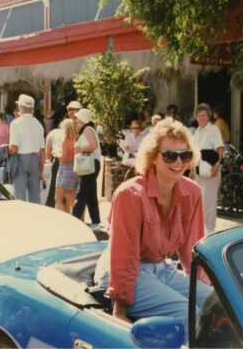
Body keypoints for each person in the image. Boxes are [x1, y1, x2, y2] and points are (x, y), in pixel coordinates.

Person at [94, 118, 212, 342]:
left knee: (217, 304)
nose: (178, 162)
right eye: (170, 155)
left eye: (184, 155)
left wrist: (200, 287)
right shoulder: (130, 195)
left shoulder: (192, 193)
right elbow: (124, 256)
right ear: (153, 157)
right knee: (192, 317)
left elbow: (193, 250)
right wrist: (120, 308)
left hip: (162, 270)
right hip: (125, 273)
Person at [193, 103, 224, 235]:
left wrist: (217, 166)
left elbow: (220, 149)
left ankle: (210, 233)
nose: (201, 118)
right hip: (199, 171)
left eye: (204, 115)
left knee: (209, 203)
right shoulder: (197, 132)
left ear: (208, 116)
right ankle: (201, 232)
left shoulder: (213, 129)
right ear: (196, 117)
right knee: (199, 202)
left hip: (211, 170)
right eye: (199, 116)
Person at [8, 94, 45, 204]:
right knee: (35, 197)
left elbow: (13, 148)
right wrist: (41, 171)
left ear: (21, 107)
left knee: (20, 197)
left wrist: (6, 150)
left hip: (20, 160)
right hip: (35, 160)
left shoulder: (15, 123)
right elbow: (42, 151)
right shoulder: (38, 124)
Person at [72, 108, 101, 227]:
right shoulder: (88, 129)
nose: (76, 121)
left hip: (90, 164)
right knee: (90, 194)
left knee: (82, 193)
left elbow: (93, 146)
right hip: (92, 164)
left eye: (78, 119)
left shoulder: (87, 129)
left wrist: (79, 149)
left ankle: (74, 219)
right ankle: (95, 221)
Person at [55, 119, 78, 213]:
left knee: (59, 198)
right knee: (71, 198)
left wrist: (56, 154)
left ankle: (62, 220)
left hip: (65, 169)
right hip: (74, 169)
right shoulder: (76, 139)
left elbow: (64, 158)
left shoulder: (65, 140)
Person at [44, 114, 64, 208]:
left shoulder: (52, 133)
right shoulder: (71, 131)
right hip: (70, 161)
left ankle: (51, 206)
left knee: (53, 187)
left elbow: (47, 153)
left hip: (57, 160)